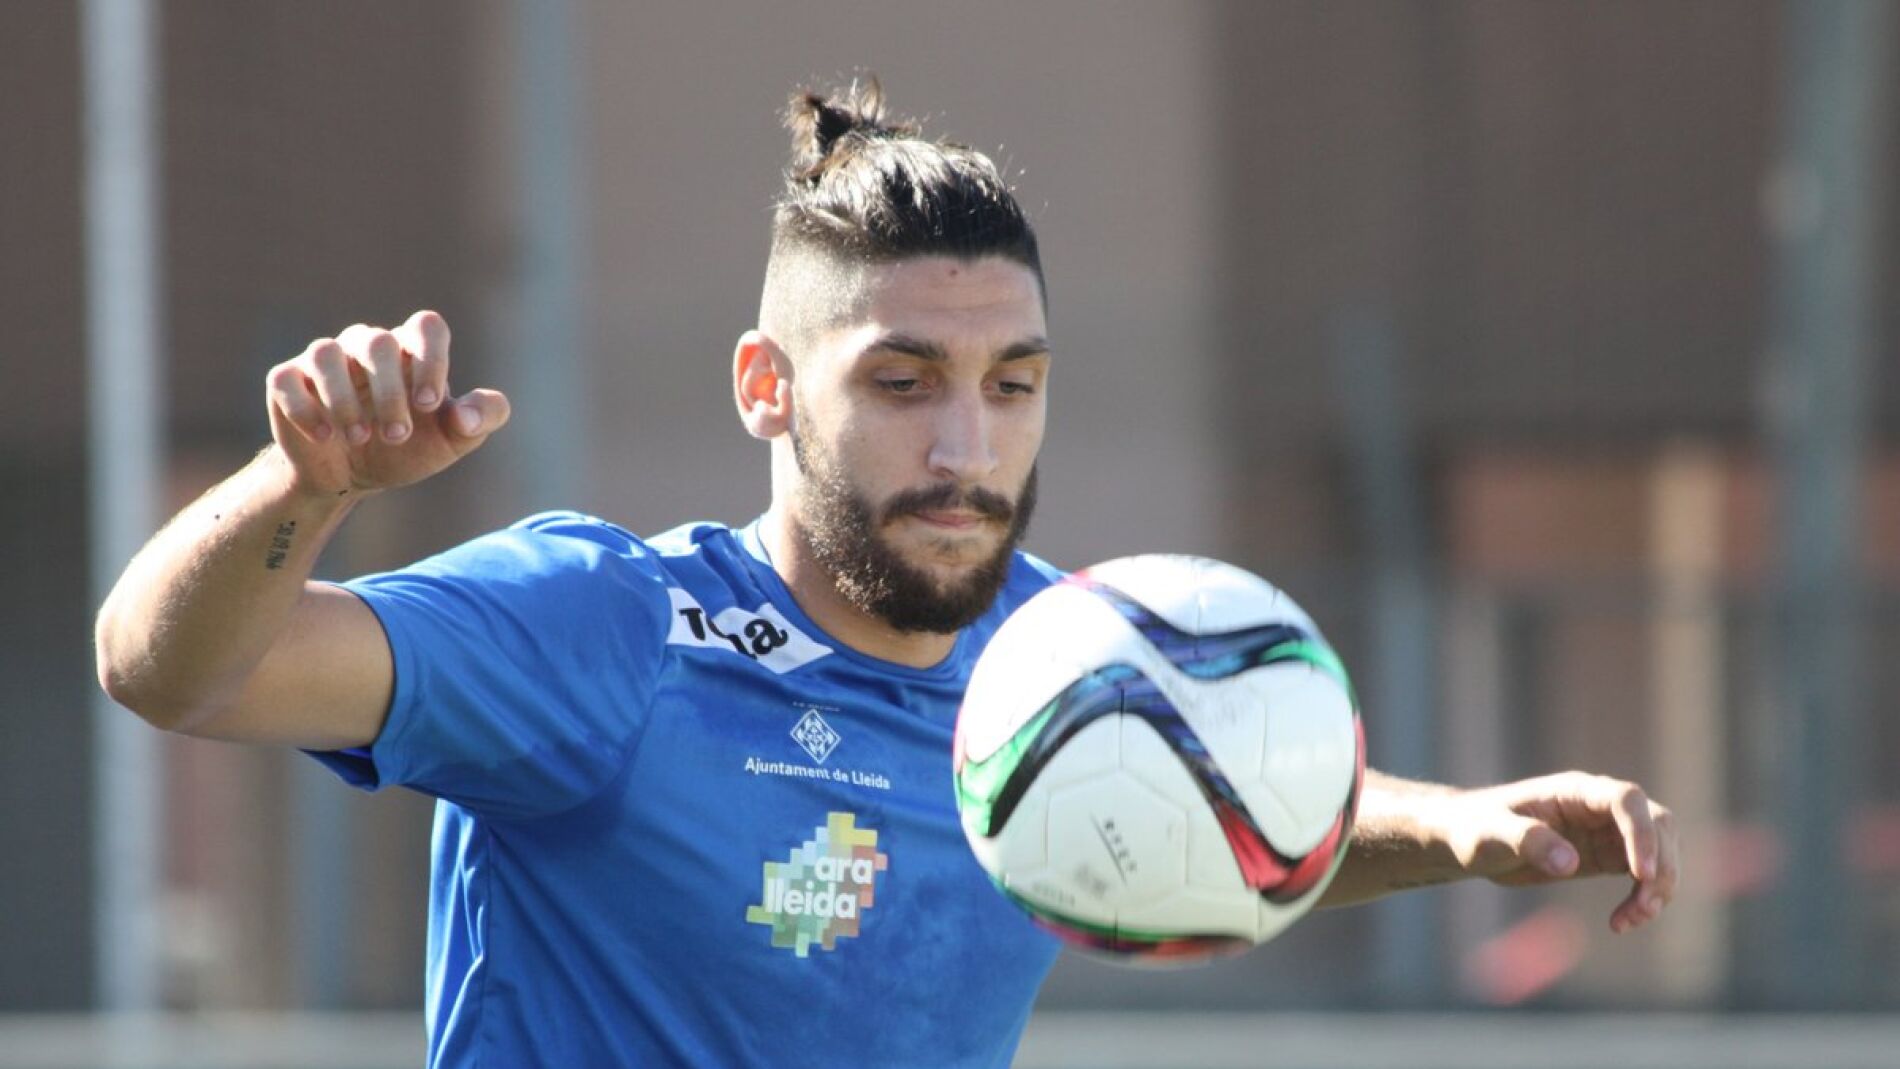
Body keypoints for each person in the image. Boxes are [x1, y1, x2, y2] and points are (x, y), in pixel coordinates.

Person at [96, 81, 1678, 1068]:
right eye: (905, 380)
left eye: (1013, 383)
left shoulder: (1053, 664)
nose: (966, 450)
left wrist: (1465, 829)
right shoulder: (609, 626)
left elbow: (1229, 814)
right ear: (766, 388)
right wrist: (296, 488)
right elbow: (174, 669)